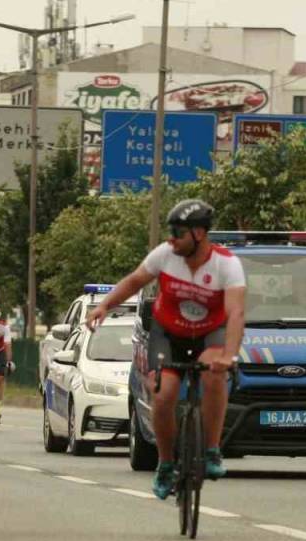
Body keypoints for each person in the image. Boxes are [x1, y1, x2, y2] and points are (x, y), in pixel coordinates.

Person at [84, 199, 246, 499]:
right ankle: (166, 464)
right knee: (164, 393)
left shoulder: (227, 264)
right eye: (170, 231)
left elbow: (236, 313)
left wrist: (229, 355)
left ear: (199, 233)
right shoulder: (165, 255)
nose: (171, 238)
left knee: (214, 374)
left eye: (178, 232)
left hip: (209, 333)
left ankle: (211, 450)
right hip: (168, 333)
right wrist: (105, 305)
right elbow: (134, 282)